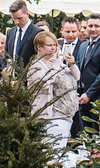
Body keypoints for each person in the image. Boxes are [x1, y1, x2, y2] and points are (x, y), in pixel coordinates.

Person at [25, 30, 77, 159]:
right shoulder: (36, 65)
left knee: (58, 153)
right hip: (49, 116)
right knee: (52, 155)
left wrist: (71, 64)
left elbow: (76, 77)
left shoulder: (58, 62)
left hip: (65, 115)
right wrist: (55, 66)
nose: (53, 48)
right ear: (39, 47)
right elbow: (45, 83)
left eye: (55, 45)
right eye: (49, 45)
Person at [0, 0, 39, 70]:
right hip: (11, 78)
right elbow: (6, 56)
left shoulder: (37, 32)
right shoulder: (10, 32)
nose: (16, 22)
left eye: (19, 18)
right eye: (14, 19)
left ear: (27, 14)